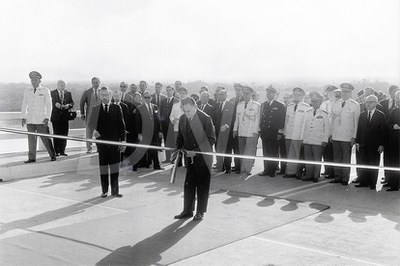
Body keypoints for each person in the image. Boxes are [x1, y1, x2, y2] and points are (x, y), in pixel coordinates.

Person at [174, 97, 216, 221]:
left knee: (202, 185)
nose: (187, 114)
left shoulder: (205, 119)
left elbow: (211, 139)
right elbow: (180, 137)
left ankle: (200, 212)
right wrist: (177, 150)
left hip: (203, 159)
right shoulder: (182, 119)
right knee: (189, 184)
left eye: (189, 111)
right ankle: (187, 210)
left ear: (195, 107)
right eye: (185, 111)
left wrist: (196, 152)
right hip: (189, 158)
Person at [88, 86, 126, 198]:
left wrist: (123, 141)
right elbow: (90, 124)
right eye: (102, 95)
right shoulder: (95, 109)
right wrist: (94, 130)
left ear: (110, 95)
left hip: (115, 143)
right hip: (102, 144)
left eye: (107, 95)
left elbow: (122, 126)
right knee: (103, 167)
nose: (105, 97)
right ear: (100, 96)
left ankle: (115, 191)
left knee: (115, 167)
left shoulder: (117, 108)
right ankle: (104, 190)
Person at [21, 71, 56, 163]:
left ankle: (52, 155)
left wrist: (47, 117)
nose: (33, 81)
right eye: (32, 80)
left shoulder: (45, 90)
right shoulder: (27, 90)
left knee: (46, 138)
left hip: (41, 119)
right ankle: (31, 157)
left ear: (40, 80)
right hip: (30, 119)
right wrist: (23, 117)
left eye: (35, 79)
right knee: (31, 140)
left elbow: (49, 105)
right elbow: (24, 104)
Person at [330, 83, 360, 185]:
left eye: (346, 92)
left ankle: (344, 178)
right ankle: (337, 177)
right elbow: (332, 120)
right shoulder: (335, 103)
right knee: (337, 158)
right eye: (343, 91)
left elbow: (356, 123)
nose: (344, 93)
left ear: (350, 93)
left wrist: (354, 136)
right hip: (336, 135)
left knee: (345, 159)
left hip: (347, 137)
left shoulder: (355, 105)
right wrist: (331, 134)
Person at [354, 95, 386, 190]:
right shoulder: (362, 115)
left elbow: (383, 131)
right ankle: (363, 182)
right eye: (366, 102)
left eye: (370, 102)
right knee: (363, 164)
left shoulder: (380, 115)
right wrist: (358, 142)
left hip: (374, 145)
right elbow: (359, 130)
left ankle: (372, 184)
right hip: (363, 144)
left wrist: (382, 145)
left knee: (373, 164)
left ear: (376, 103)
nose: (367, 104)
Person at [258, 85, 286, 177]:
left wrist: (280, 132)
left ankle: (272, 170)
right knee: (266, 152)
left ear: (275, 94)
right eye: (267, 92)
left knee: (273, 152)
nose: (268, 94)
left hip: (274, 132)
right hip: (265, 132)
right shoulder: (264, 105)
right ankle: (266, 169)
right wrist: (260, 131)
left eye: (270, 92)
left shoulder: (280, 105)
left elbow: (282, 120)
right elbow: (261, 119)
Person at [302, 92, 330, 182]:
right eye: (313, 101)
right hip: (308, 139)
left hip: (318, 140)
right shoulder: (307, 112)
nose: (314, 103)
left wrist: (325, 140)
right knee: (308, 159)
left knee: (317, 159)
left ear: (320, 102)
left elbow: (327, 128)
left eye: (316, 101)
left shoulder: (324, 113)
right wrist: (303, 138)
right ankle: (309, 175)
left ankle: (315, 176)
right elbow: (304, 126)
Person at [233, 86, 260, 175]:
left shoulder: (256, 105)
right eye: (244, 93)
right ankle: (242, 168)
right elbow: (237, 118)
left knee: (248, 152)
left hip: (250, 132)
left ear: (251, 94)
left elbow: (257, 120)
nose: (245, 95)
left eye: (247, 93)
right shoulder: (239, 105)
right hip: (241, 132)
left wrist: (255, 132)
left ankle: (247, 169)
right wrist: (235, 129)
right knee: (241, 151)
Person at [283, 87, 310, 178]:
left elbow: (305, 124)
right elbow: (286, 121)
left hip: (298, 135)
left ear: (303, 96)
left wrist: (302, 137)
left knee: (298, 154)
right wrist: (285, 133)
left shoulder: (306, 107)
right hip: (289, 134)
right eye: (294, 95)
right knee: (289, 155)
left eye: (298, 95)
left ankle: (298, 173)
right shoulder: (289, 106)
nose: (296, 97)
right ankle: (290, 172)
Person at [136, 91, 163, 170]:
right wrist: (139, 133)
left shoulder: (155, 107)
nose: (147, 99)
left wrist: (160, 131)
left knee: (154, 148)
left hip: (154, 132)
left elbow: (158, 120)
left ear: (151, 98)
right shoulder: (140, 108)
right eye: (145, 97)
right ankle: (140, 165)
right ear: (143, 98)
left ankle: (156, 165)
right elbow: (137, 122)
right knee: (144, 149)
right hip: (145, 132)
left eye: (149, 97)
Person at [50, 80, 74, 156]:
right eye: (61, 85)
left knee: (64, 134)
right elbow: (49, 103)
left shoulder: (68, 93)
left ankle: (62, 150)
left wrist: (68, 105)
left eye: (64, 85)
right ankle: (56, 151)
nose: (63, 87)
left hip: (65, 117)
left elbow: (72, 103)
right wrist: (55, 104)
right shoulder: (52, 93)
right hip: (56, 117)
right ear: (57, 85)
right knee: (56, 133)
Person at [214, 89, 235, 173]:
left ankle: (228, 168)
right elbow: (214, 118)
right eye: (219, 95)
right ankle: (220, 167)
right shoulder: (216, 105)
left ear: (226, 94)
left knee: (227, 150)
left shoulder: (231, 105)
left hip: (227, 132)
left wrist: (227, 125)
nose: (220, 96)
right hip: (217, 132)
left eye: (222, 94)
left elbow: (233, 118)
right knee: (218, 149)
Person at [80, 77, 102, 153]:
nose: (95, 84)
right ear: (92, 83)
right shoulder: (87, 92)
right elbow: (81, 103)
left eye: (97, 82)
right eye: (94, 82)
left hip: (100, 116)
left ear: (99, 83)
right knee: (89, 132)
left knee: (99, 132)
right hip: (89, 116)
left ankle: (99, 148)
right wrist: (82, 114)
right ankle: (89, 148)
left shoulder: (102, 92)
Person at [320, 85, 338, 179]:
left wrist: (331, 133)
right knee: (325, 152)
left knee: (331, 153)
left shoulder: (337, 103)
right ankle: (327, 169)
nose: (329, 94)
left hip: (332, 131)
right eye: (328, 92)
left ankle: (332, 172)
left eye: (332, 92)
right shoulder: (324, 104)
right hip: (323, 131)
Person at [385, 91, 400, 191]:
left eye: (399, 98)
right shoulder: (394, 111)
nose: (397, 100)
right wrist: (393, 126)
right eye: (396, 98)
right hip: (394, 143)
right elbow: (387, 124)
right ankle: (393, 183)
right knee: (394, 164)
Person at [112, 90, 132, 163]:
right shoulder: (110, 105)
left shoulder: (124, 106)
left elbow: (127, 119)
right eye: (115, 96)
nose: (116, 97)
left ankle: (121, 161)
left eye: (118, 96)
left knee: (122, 146)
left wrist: (125, 129)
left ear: (120, 96)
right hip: (113, 130)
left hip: (122, 130)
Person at [170, 88, 188, 166]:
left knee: (187, 145)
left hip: (187, 129)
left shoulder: (189, 105)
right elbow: (171, 116)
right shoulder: (175, 105)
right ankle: (179, 162)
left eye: (184, 93)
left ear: (186, 94)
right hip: (177, 128)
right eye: (181, 93)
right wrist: (173, 120)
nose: (182, 95)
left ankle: (187, 162)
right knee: (178, 145)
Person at [160, 86, 178, 163]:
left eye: (170, 90)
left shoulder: (176, 101)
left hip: (173, 124)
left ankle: (173, 159)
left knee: (173, 142)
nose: (168, 92)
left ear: (173, 91)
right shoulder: (163, 101)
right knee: (166, 142)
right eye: (167, 90)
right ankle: (167, 158)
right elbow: (160, 113)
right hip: (164, 125)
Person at [229, 83, 244, 173]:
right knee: (235, 148)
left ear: (242, 91)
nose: (237, 91)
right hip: (233, 127)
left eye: (239, 90)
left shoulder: (244, 100)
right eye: (236, 90)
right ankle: (236, 165)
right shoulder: (232, 100)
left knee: (239, 149)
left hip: (241, 127)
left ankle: (240, 166)